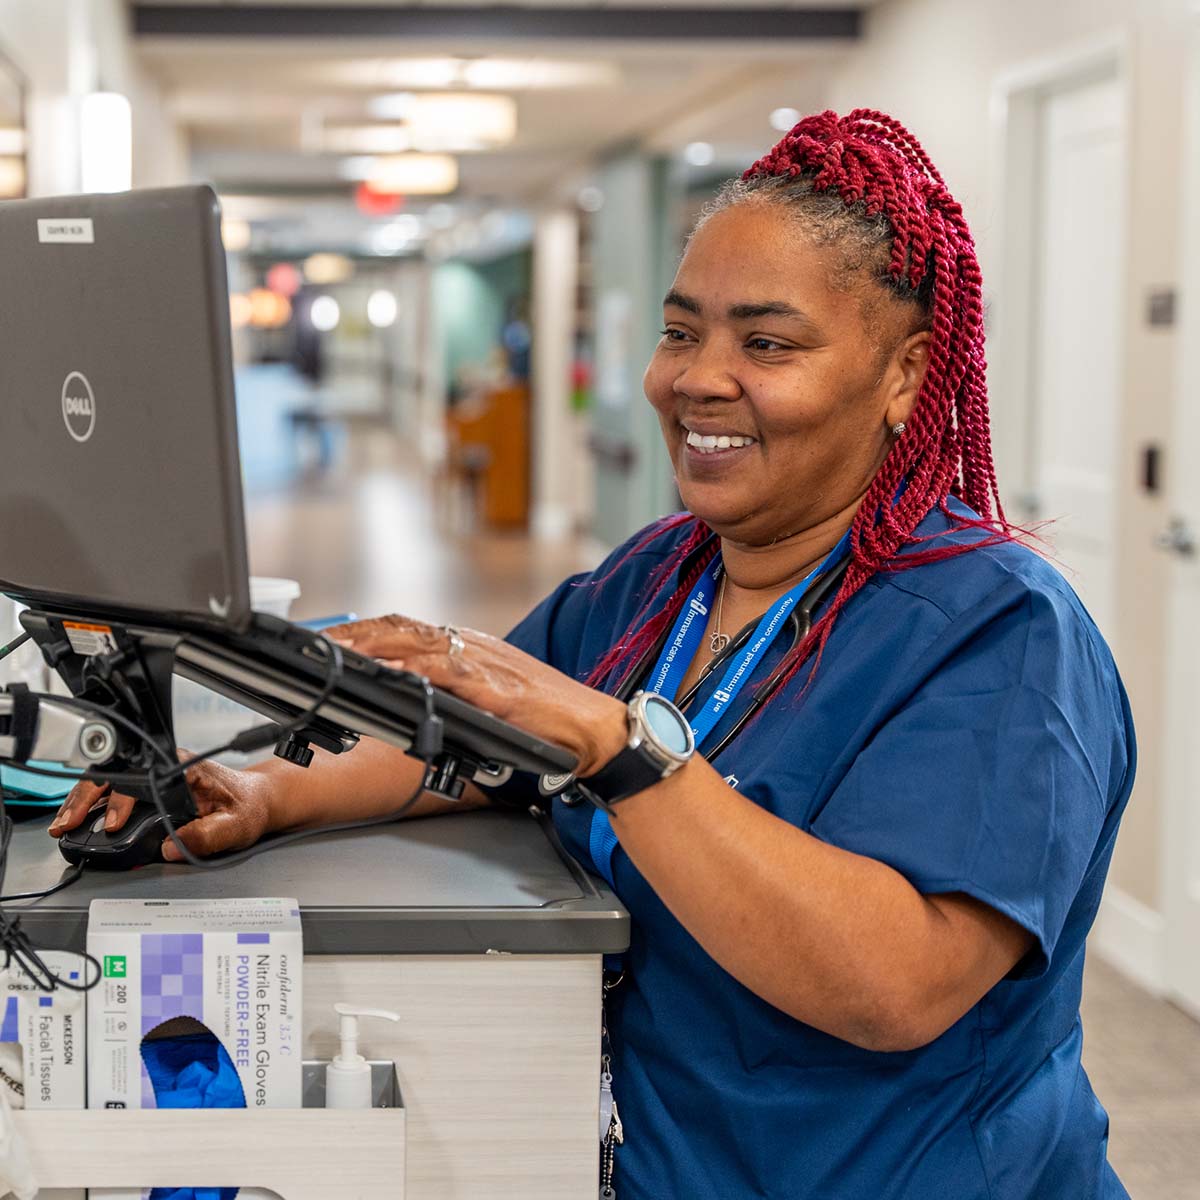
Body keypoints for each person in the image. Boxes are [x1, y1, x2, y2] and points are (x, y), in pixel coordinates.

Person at [52, 110, 1134, 1199]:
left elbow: (893, 984)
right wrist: (266, 793)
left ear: (904, 375)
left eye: (767, 343)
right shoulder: (662, 577)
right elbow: (476, 743)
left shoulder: (1001, 631)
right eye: (680, 332)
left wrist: (617, 748)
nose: (696, 380)